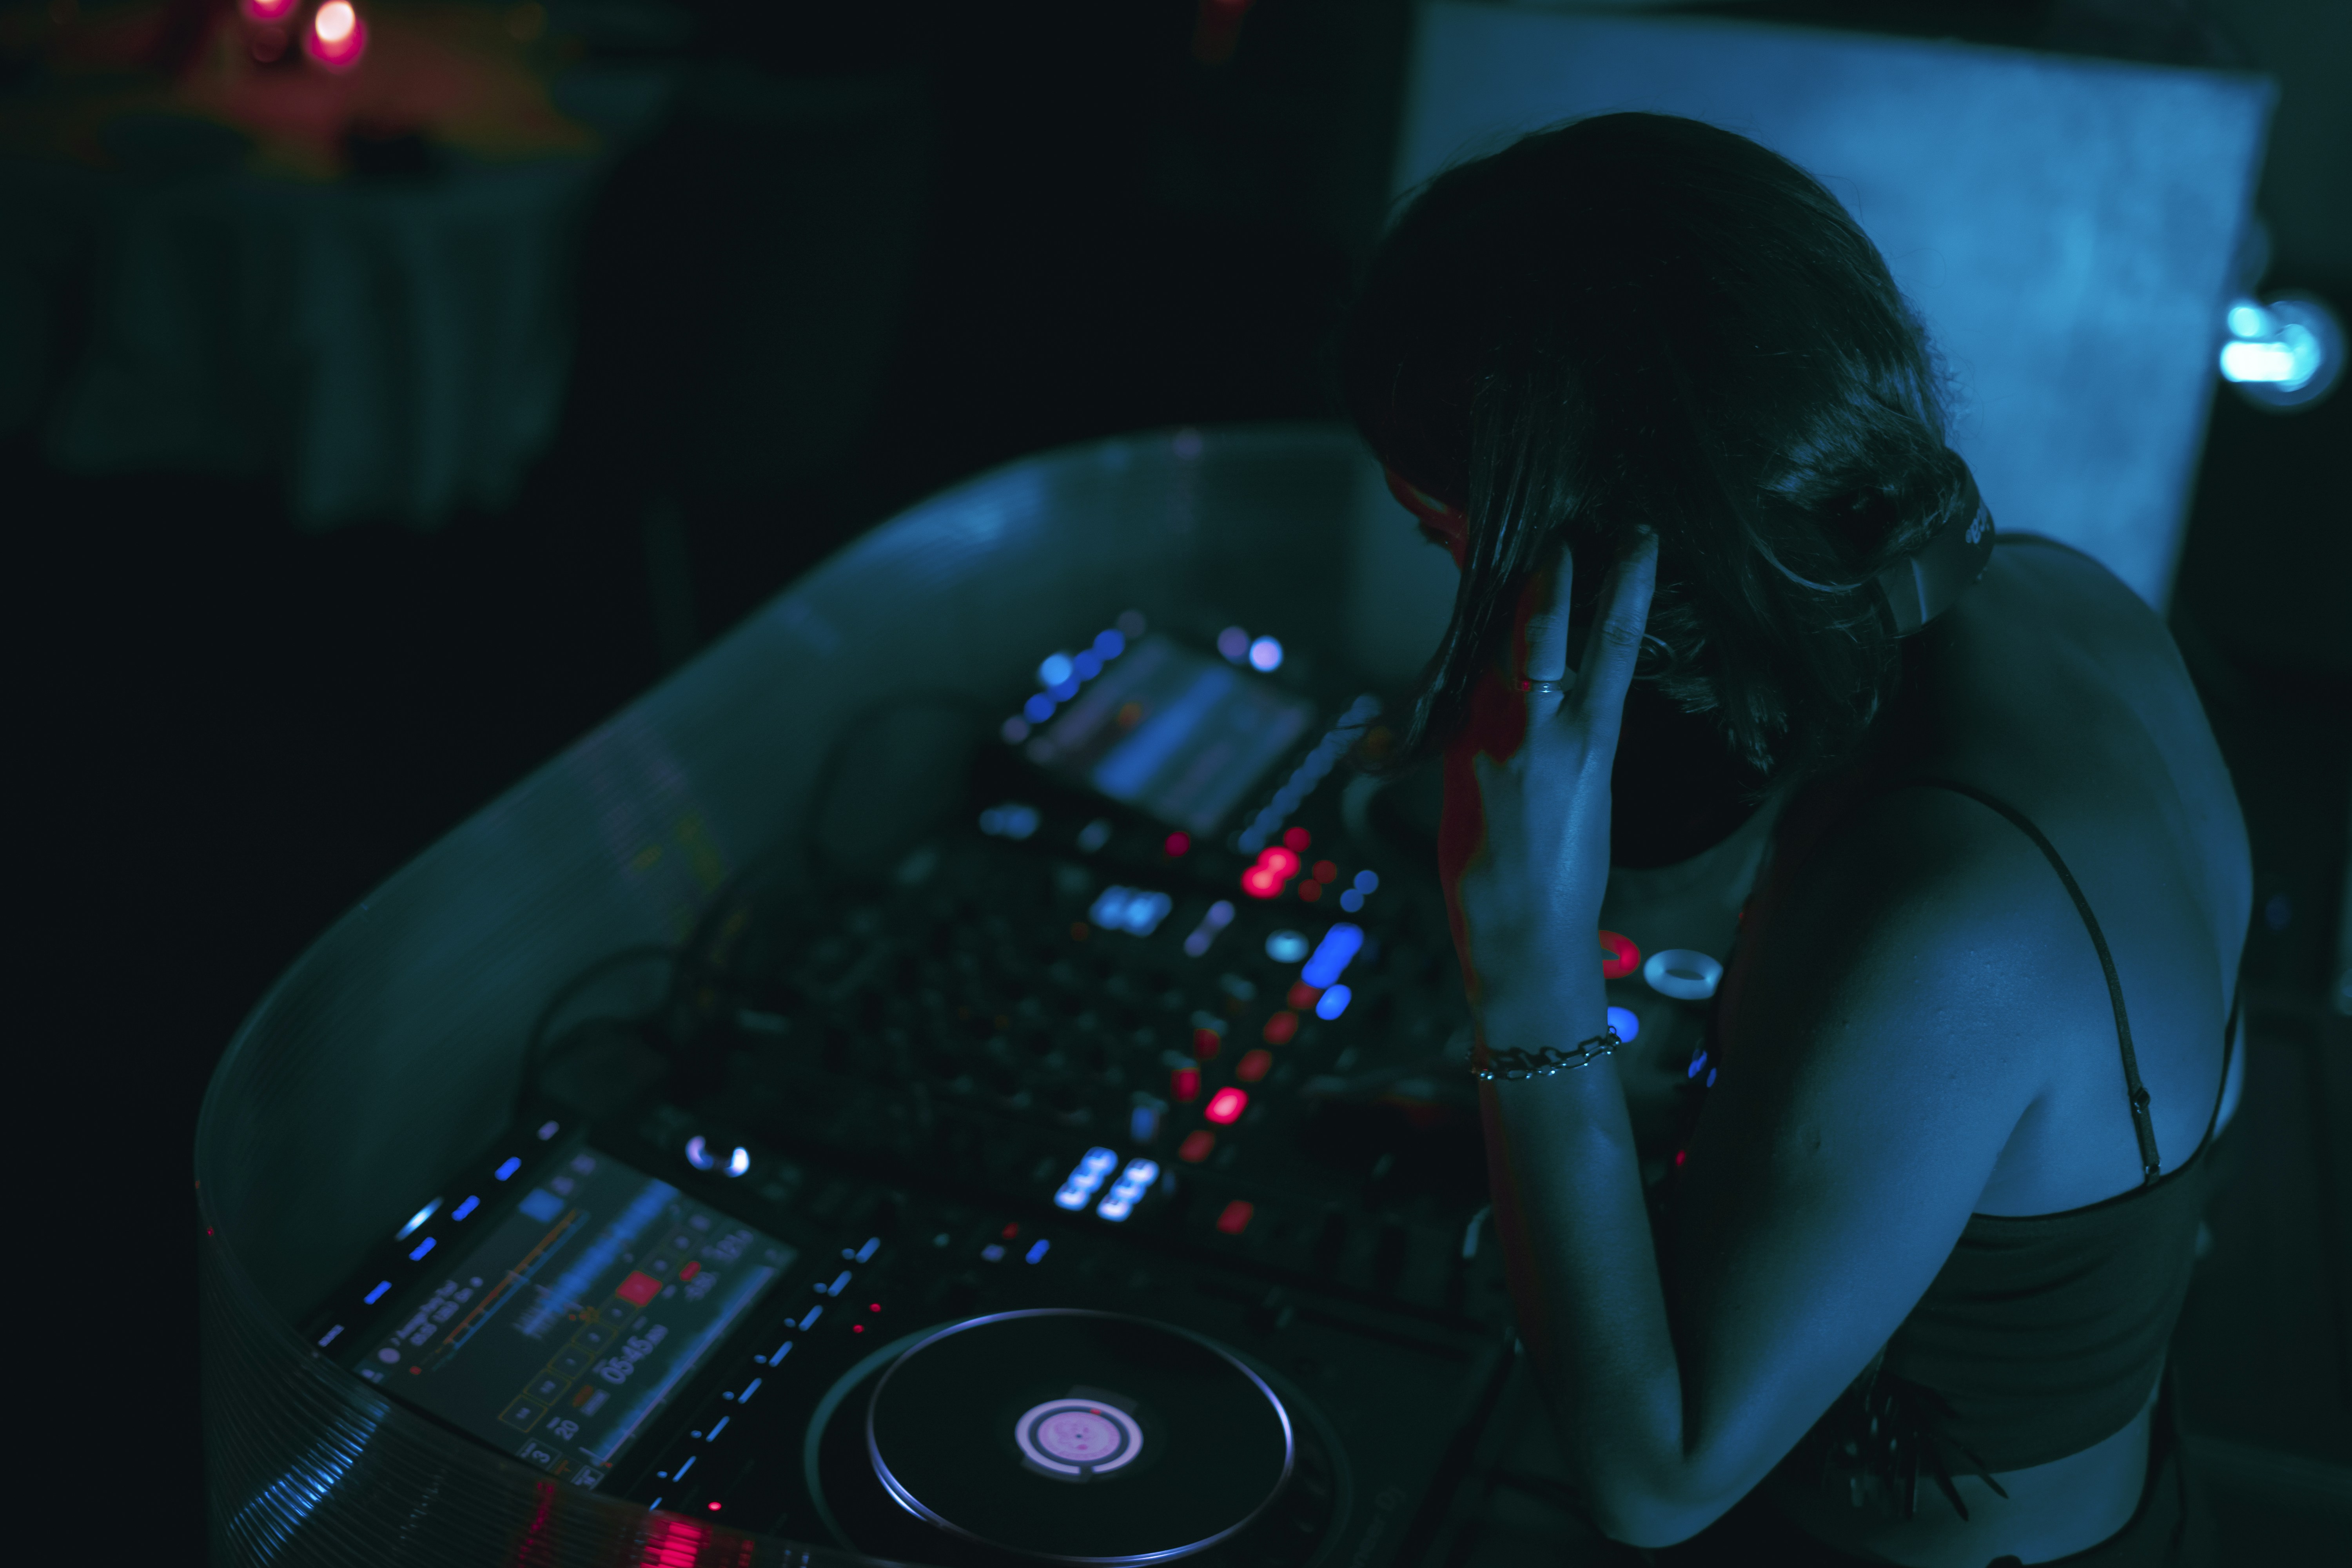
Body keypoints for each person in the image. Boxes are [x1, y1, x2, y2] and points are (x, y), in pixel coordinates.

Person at [1339, 113, 2251, 1567]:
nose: (1471, 604)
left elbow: (1659, 1480)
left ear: (1605, 549)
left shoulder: (1945, 912)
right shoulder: (2062, 599)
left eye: (1458, 547)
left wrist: (1529, 979)